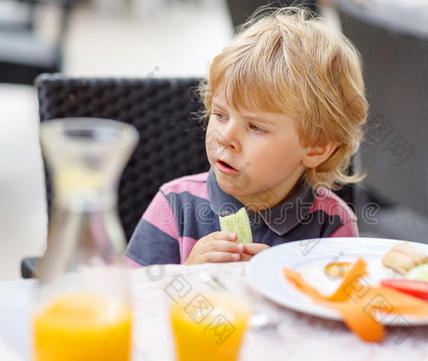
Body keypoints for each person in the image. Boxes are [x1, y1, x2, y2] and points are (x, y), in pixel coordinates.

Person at [125, 6, 368, 266]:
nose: (225, 136)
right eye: (220, 115)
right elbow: (131, 300)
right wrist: (188, 274)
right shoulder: (174, 207)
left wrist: (285, 281)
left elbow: (338, 303)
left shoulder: (331, 224)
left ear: (316, 148)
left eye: (255, 127)